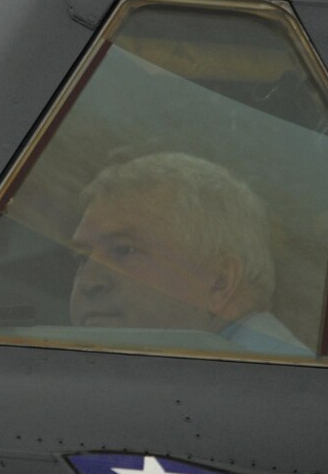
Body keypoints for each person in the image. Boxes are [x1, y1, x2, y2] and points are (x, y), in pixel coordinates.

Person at [69, 152, 311, 357]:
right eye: (82, 258)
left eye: (124, 250)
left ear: (220, 282)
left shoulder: (268, 390)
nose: (89, 282)